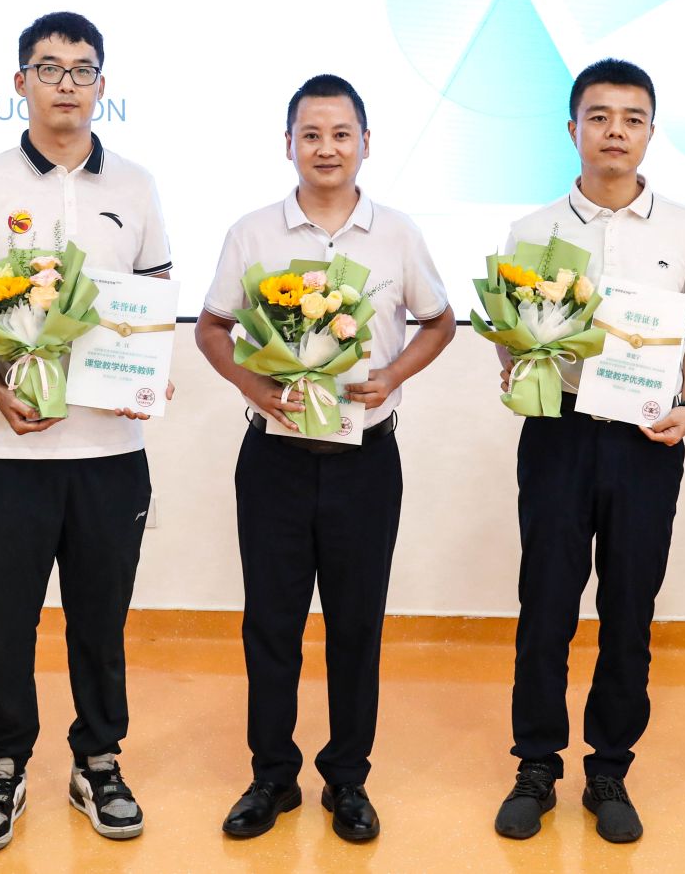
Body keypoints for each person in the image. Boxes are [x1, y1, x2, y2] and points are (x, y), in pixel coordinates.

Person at [195, 74, 455, 843]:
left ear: (366, 143)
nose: (327, 147)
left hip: (365, 461)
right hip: (274, 459)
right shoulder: (253, 232)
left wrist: (392, 375)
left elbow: (440, 322)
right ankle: (271, 775)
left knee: (355, 625)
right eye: (311, 134)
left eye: (341, 133)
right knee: (271, 623)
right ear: (288, 145)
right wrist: (253, 385)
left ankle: (348, 779)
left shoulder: (397, 233)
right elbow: (211, 328)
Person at [0, 12, 172, 853]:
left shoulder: (135, 185)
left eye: (81, 69)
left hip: (111, 451)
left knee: (99, 620)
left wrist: (150, 373)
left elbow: (154, 297)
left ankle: (98, 759)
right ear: (20, 81)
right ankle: (1, 765)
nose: (65, 83)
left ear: (102, 85)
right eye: (48, 67)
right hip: (12, 448)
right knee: (7, 619)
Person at [491, 58, 685, 845]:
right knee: (546, 603)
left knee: (630, 606)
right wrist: (515, 366)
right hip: (557, 432)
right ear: (573, 129)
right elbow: (512, 336)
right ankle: (535, 764)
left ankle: (610, 768)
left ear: (651, 131)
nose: (615, 131)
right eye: (599, 116)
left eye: (631, 117)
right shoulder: (533, 231)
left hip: (647, 438)